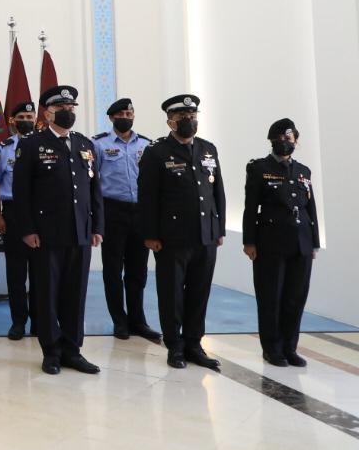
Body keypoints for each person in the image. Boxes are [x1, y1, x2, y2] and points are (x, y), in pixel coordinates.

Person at [12, 85, 103, 376]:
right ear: (48, 113)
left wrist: (97, 226)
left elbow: (94, 189)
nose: (68, 112)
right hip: (46, 233)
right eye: (62, 108)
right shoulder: (32, 144)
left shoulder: (85, 144)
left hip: (80, 231)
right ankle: (51, 351)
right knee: (48, 293)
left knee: (76, 293)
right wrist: (27, 229)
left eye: (71, 107)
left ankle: (73, 350)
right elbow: (21, 192)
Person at [139, 94, 226, 371]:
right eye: (183, 117)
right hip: (172, 237)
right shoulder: (156, 152)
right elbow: (148, 197)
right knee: (172, 293)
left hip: (205, 235)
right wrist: (150, 233)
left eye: (192, 116)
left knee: (200, 292)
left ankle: (194, 344)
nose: (189, 120)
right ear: (170, 122)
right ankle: (174, 346)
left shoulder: (208, 149)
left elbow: (217, 192)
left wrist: (219, 228)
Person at [244, 118, 319, 367]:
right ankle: (272, 348)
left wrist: (314, 243)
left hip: (301, 243)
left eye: (289, 138)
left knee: (295, 298)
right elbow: (250, 208)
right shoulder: (259, 168)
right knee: (271, 297)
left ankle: (290, 347)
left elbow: (311, 209)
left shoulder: (304, 171)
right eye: (280, 138)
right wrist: (249, 241)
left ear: (296, 140)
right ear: (271, 141)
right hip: (271, 243)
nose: (284, 142)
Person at [91, 98, 160, 343]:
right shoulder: (98, 144)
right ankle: (119, 320)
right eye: (120, 114)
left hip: (140, 212)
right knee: (112, 269)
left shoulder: (146, 144)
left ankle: (138, 320)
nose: (125, 117)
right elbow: (93, 182)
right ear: (111, 118)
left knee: (138, 270)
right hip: (112, 211)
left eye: (129, 113)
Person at [0, 100, 37, 340]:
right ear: (12, 121)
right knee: (16, 273)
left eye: (30, 117)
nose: (26, 121)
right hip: (13, 213)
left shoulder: (45, 145)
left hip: (41, 215)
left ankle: (40, 320)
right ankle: (18, 322)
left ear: (36, 119)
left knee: (41, 272)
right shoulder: (3, 148)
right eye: (22, 118)